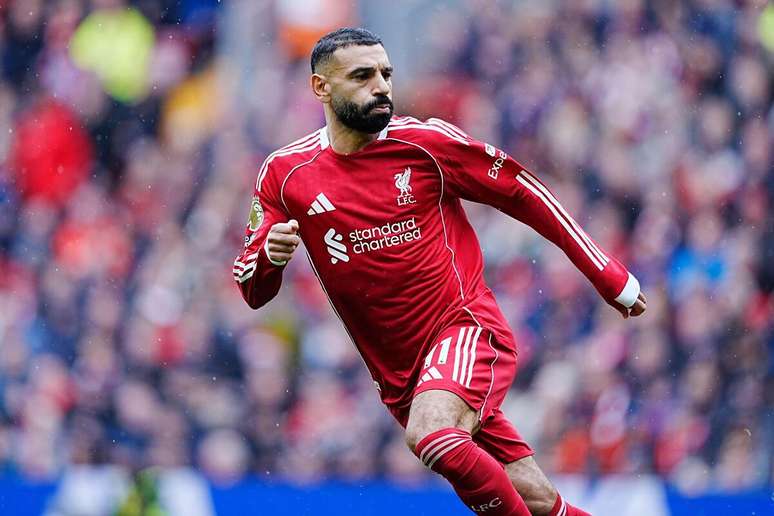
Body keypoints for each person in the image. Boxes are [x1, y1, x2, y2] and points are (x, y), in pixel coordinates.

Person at [233, 27, 646, 515]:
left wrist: (606, 273)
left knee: (431, 434)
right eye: (362, 76)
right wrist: (271, 258)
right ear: (321, 88)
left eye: (386, 74)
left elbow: (524, 192)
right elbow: (252, 288)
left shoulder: (425, 144)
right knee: (537, 501)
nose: (381, 86)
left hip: (466, 330)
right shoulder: (284, 175)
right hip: (403, 377)